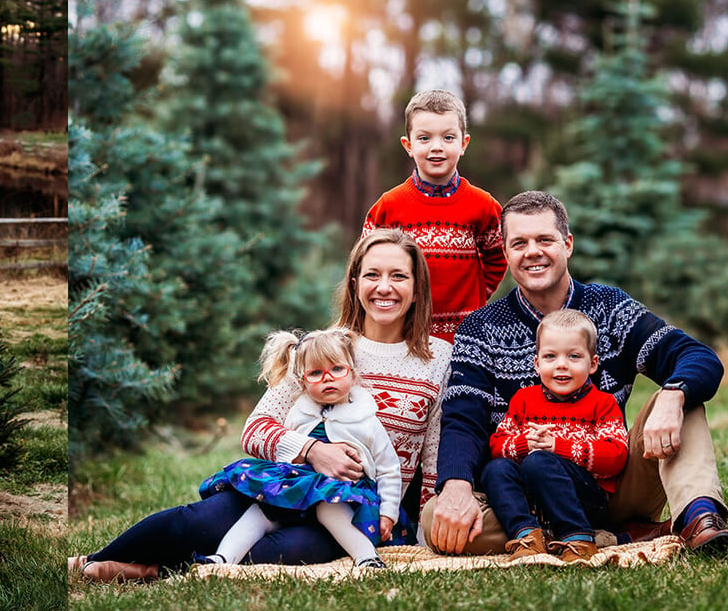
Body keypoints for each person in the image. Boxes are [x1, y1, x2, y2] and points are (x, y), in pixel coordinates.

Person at [68, 228, 452, 582]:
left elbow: (433, 459)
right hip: (283, 490)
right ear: (355, 285)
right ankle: (92, 560)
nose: (384, 287)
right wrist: (313, 451)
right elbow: (254, 431)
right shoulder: (323, 349)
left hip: (350, 509)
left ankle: (156, 571)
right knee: (198, 522)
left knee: (283, 552)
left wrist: (419, 535)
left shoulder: (438, 360)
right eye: (372, 275)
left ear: (417, 289)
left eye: (399, 276)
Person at [424, 191, 728, 557]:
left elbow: (697, 357)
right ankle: (611, 538)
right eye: (519, 243)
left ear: (567, 244)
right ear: (507, 253)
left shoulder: (609, 308)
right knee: (437, 521)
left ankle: (700, 519)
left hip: (610, 486)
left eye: (545, 239)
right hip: (521, 501)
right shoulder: (480, 329)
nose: (533, 251)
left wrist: (674, 395)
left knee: (683, 398)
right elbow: (464, 420)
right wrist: (456, 485)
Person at [196, 328, 401, 570]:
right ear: (303, 383)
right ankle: (222, 559)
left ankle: (366, 557)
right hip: (300, 489)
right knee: (261, 511)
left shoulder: (366, 420)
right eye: (316, 373)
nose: (327, 377)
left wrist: (388, 512)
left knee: (329, 506)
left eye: (337, 369)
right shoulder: (299, 413)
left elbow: (389, 469)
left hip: (345, 494)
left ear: (353, 374)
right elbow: (289, 455)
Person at [362, 89, 506, 342]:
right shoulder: (388, 206)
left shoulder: (483, 205)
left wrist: (476, 297)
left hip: (466, 339)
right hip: (404, 335)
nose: (436, 147)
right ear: (409, 145)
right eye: (425, 138)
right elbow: (365, 265)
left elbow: (499, 256)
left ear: (464, 144)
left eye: (448, 137)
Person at [484, 309, 627, 562]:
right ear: (537, 363)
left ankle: (578, 538)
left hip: (584, 501)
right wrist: (523, 444)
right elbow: (497, 444)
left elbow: (616, 455)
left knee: (540, 461)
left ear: (592, 363)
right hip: (534, 503)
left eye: (574, 356)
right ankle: (527, 536)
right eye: (550, 356)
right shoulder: (524, 400)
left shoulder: (602, 403)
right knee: (496, 469)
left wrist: (558, 447)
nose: (562, 364)